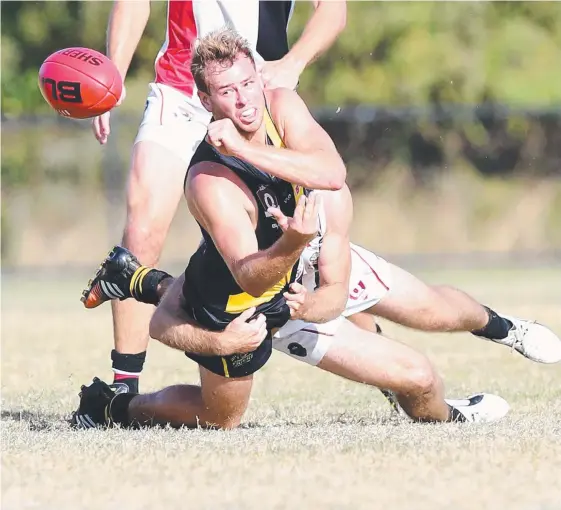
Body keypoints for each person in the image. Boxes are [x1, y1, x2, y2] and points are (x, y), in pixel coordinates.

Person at [71, 29, 510, 430]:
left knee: (422, 369)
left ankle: (135, 278)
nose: (244, 100)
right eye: (227, 91)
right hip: (243, 303)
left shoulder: (280, 107)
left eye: (248, 84)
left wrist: (309, 302)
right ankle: (111, 407)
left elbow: (331, 172)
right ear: (206, 102)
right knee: (220, 419)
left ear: (260, 80)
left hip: (300, 282)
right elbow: (245, 277)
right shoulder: (210, 181)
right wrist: (293, 241)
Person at [93, 0, 347, 393]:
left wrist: (292, 64)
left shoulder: (269, 98)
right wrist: (111, 77)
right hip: (181, 92)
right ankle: (123, 385)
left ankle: (373, 344)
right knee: (141, 230)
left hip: (256, 90)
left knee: (322, 231)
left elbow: (333, 10)